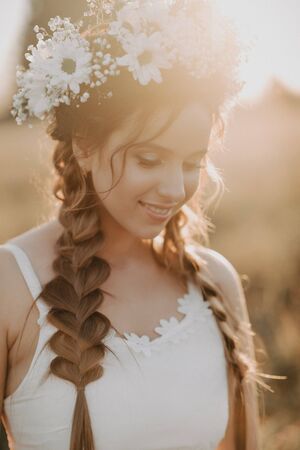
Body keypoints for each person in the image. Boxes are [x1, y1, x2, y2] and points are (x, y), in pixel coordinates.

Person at [0, 1, 274, 449]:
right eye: (149, 158)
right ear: (84, 146)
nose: (173, 188)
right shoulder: (10, 285)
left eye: (192, 162)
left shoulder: (215, 283)